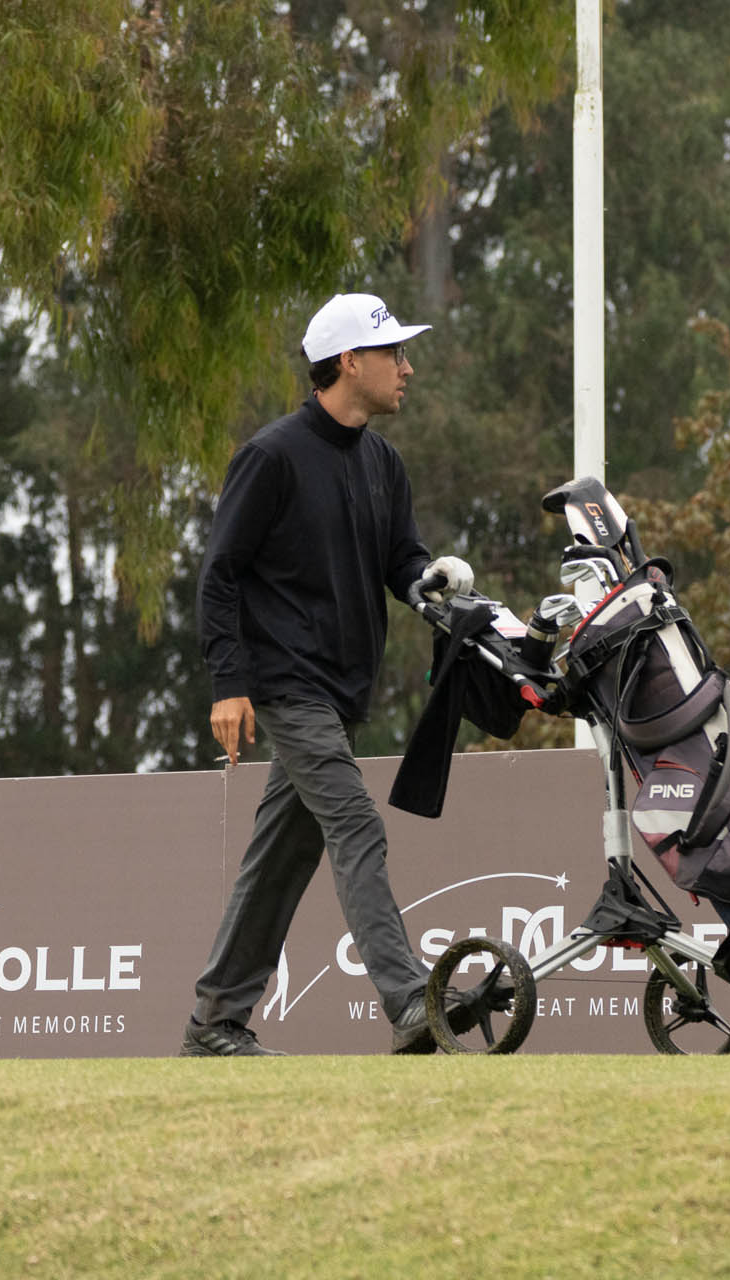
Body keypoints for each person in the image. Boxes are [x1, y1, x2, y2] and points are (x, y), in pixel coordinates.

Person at [180, 292, 476, 1057]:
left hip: (342, 691)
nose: (406, 368)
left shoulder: (383, 461)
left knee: (281, 853)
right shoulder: (271, 456)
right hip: (285, 684)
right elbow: (219, 575)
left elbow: (400, 560)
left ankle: (214, 1024)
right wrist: (228, 683)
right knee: (355, 823)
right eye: (393, 353)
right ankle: (411, 1002)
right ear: (348, 361)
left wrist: (431, 585)